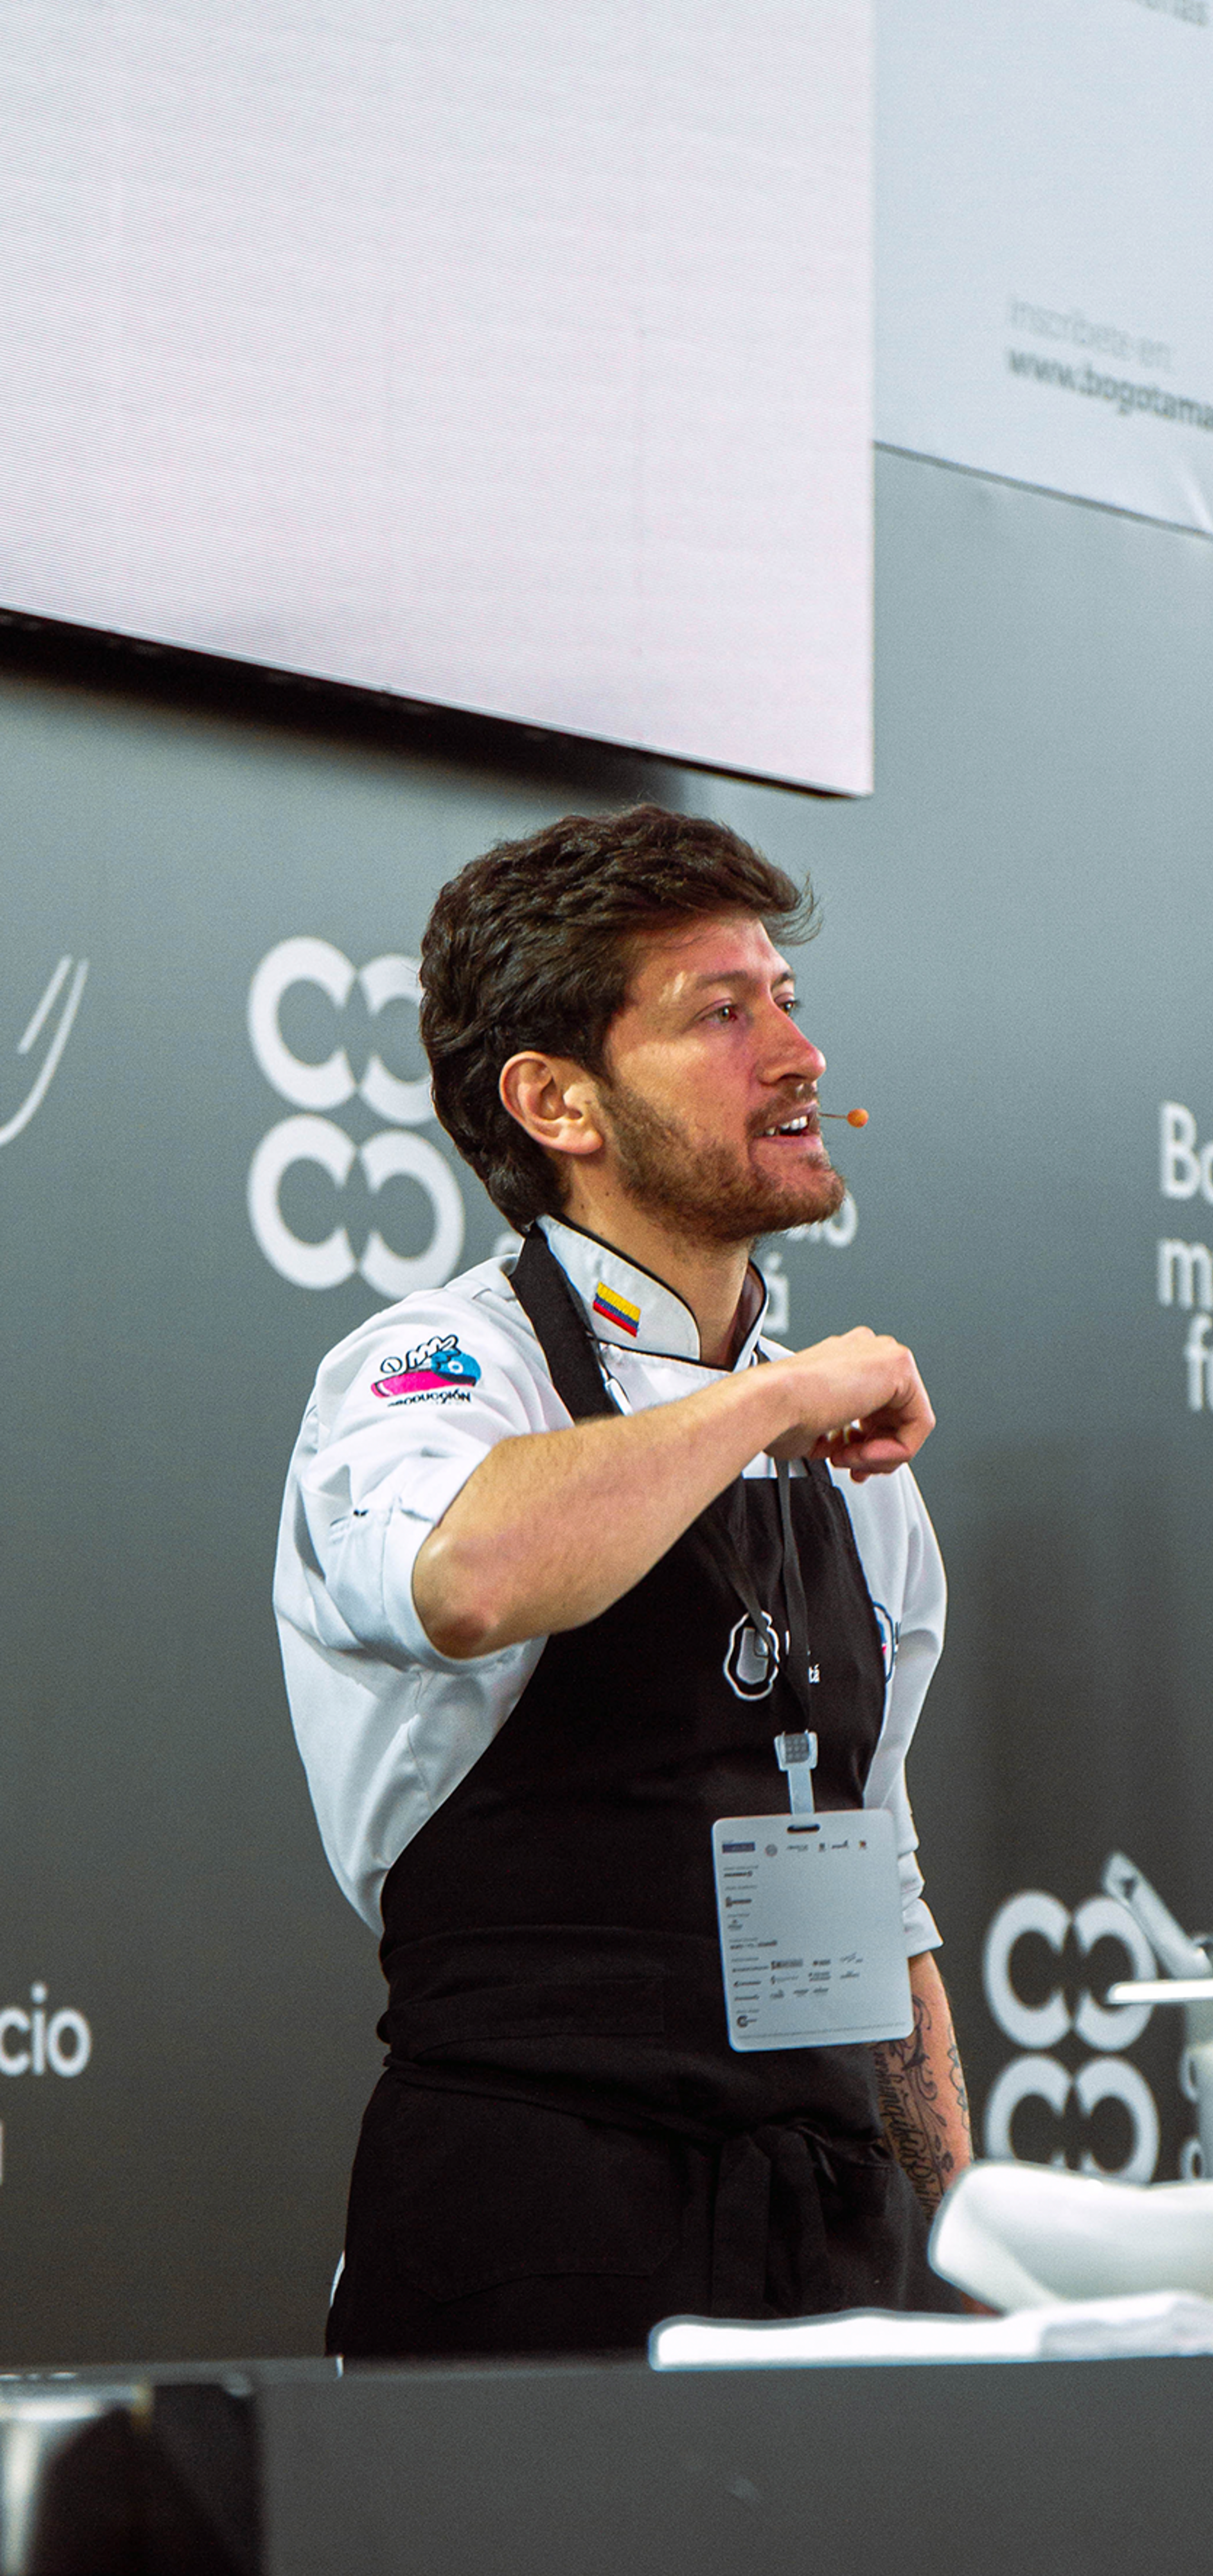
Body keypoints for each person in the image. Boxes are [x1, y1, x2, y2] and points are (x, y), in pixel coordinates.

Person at [275, 804, 972, 2355]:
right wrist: (769, 1402)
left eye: (785, 1000)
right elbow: (469, 1575)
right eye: (722, 1015)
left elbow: (882, 1892)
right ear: (558, 1103)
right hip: (531, 2228)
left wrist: (974, 2244)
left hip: (830, 2254)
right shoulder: (436, 1371)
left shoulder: (855, 1458)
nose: (797, 1056)